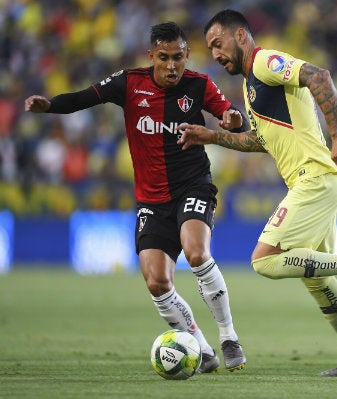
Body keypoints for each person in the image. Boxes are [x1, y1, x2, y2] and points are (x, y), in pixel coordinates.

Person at [24, 21, 248, 372]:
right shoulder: (129, 82)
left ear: (187, 55)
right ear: (151, 56)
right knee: (157, 282)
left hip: (193, 186)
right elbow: (83, 98)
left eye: (178, 57)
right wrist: (49, 105)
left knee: (196, 251)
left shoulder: (199, 84)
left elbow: (234, 119)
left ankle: (228, 336)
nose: (172, 66)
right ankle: (202, 349)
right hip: (151, 200)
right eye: (164, 58)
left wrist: (233, 121)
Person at [176, 9, 337, 377]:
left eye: (218, 43)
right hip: (315, 182)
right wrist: (210, 135)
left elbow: (318, 75)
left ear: (241, 35)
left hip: (315, 180)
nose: (215, 54)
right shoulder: (249, 86)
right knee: (317, 278)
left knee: (265, 260)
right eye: (209, 49)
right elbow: (260, 141)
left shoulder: (264, 63)